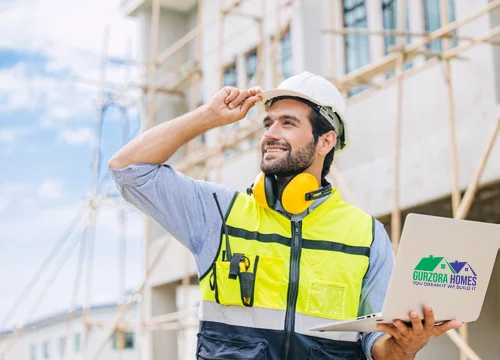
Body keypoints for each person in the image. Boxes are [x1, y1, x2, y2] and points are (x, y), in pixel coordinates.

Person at [108, 71, 462, 359]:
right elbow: (128, 168)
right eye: (268, 124)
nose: (270, 135)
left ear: (325, 141)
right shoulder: (220, 213)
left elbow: (379, 349)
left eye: (287, 123)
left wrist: (405, 345)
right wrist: (208, 117)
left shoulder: (366, 235)